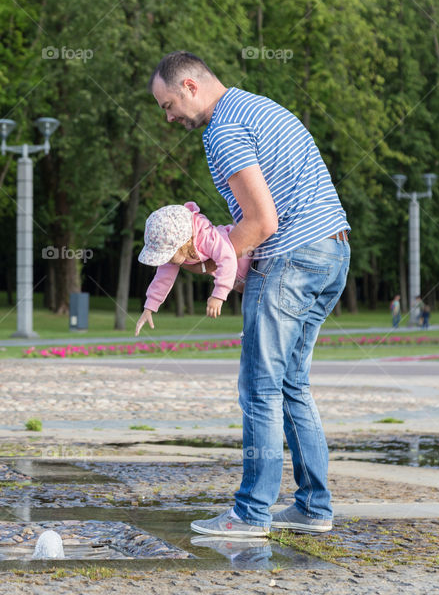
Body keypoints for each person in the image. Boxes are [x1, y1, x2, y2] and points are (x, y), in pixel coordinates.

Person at [149, 51, 350, 537]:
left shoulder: (224, 130)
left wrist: (210, 258)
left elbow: (262, 223)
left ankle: (251, 513)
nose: (169, 116)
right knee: (291, 384)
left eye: (168, 104)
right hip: (332, 253)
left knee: (259, 387)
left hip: (292, 260)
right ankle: (312, 507)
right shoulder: (259, 107)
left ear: (191, 86)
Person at [135, 201, 250, 335]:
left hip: (252, 259)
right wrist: (149, 307)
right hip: (242, 278)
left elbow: (227, 259)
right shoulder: (176, 252)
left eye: (169, 255)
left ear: (185, 242)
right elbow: (162, 278)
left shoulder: (208, 238)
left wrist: (218, 295)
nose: (168, 260)